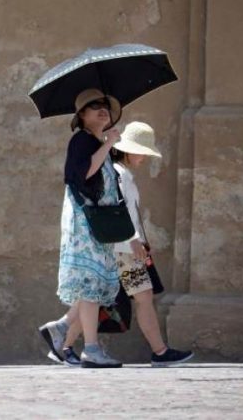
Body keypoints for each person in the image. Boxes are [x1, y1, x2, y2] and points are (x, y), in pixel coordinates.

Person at [45, 122, 194, 367]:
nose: (144, 157)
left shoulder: (122, 173)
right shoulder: (118, 173)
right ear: (127, 150)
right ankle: (159, 351)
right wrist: (134, 239)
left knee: (94, 299)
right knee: (136, 297)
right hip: (122, 250)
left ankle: (63, 343)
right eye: (141, 151)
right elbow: (117, 210)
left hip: (125, 247)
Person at [38, 88, 124, 368]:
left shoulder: (97, 141)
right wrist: (107, 145)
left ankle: (61, 327)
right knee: (89, 285)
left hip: (99, 225)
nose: (102, 110)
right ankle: (91, 348)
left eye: (105, 106)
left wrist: (107, 144)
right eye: (94, 106)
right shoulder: (82, 141)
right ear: (81, 116)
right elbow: (83, 174)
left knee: (94, 284)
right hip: (86, 224)